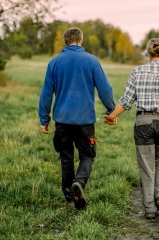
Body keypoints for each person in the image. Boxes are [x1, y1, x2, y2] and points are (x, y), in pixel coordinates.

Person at [104, 38, 159, 219]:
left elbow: (126, 101)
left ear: (147, 53)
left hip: (143, 123)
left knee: (146, 167)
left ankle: (149, 209)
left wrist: (111, 116)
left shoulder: (137, 72)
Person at [39, 27, 116, 210]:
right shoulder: (91, 61)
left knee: (66, 157)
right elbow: (104, 89)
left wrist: (44, 119)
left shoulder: (54, 62)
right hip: (85, 121)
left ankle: (69, 195)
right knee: (87, 154)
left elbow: (46, 94)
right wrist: (111, 110)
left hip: (62, 120)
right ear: (81, 40)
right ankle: (79, 183)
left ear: (65, 41)